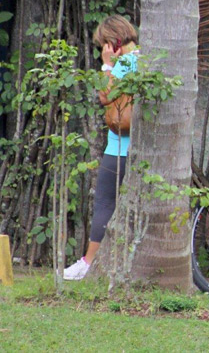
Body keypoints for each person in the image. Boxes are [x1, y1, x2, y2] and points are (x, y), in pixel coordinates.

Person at [63, 15, 139, 280]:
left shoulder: (122, 63)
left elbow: (105, 97)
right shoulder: (143, 59)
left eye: (104, 45)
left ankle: (88, 262)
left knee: (105, 204)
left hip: (118, 149)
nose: (103, 50)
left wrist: (107, 65)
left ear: (113, 42)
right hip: (138, 152)